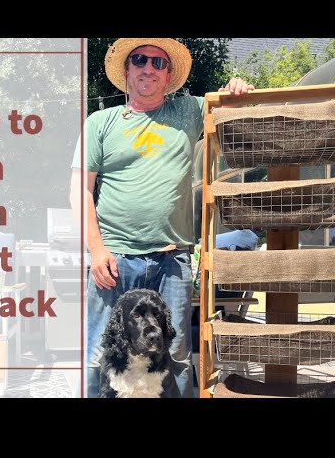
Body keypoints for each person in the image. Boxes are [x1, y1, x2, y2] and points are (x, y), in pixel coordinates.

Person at [70, 38, 254, 397]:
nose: (148, 68)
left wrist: (237, 88)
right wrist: (95, 250)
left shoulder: (187, 112)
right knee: (98, 354)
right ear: (127, 71)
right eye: (139, 60)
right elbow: (80, 190)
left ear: (169, 76)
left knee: (179, 355)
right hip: (113, 260)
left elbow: (233, 108)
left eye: (158, 62)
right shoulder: (100, 122)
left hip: (173, 260)